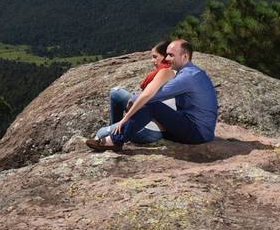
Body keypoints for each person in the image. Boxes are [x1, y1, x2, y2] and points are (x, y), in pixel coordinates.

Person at [85, 39, 217, 151]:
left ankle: (115, 141)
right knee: (151, 107)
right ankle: (116, 135)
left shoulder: (187, 77)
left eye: (171, 55)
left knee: (152, 105)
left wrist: (126, 117)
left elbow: (151, 97)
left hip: (197, 132)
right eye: (167, 55)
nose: (167, 59)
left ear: (185, 57)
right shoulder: (194, 73)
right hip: (199, 129)